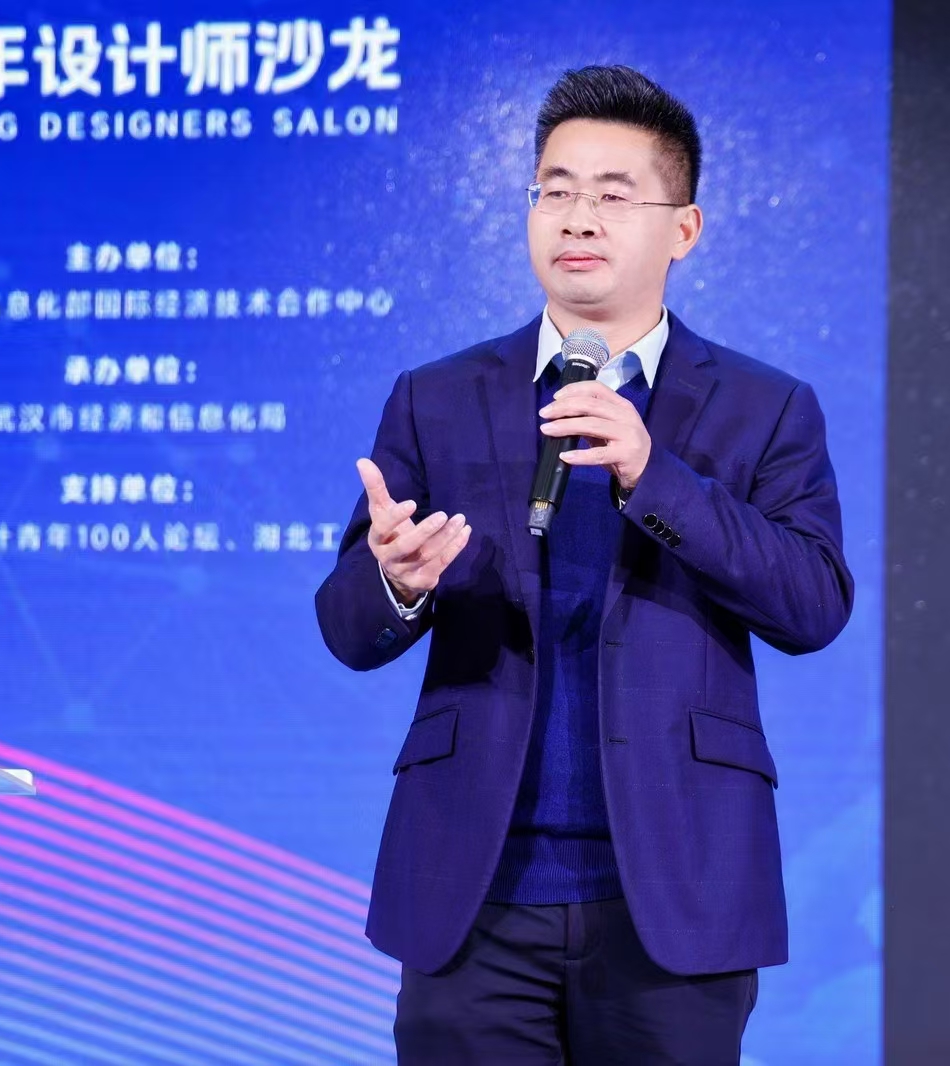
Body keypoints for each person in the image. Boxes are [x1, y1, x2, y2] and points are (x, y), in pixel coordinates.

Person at [315, 64, 854, 1064]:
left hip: (676, 890)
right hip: (472, 893)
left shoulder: (765, 406)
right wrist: (396, 580)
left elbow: (812, 602)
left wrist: (658, 478)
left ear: (682, 229)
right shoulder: (436, 397)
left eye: (613, 194)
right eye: (555, 189)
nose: (578, 217)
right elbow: (347, 626)